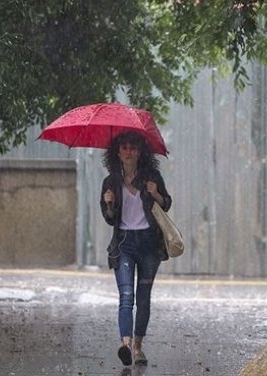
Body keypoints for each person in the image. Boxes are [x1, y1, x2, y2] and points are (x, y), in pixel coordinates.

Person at [100, 130, 172, 367]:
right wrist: (109, 204)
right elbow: (110, 218)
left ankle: (138, 345)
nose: (128, 151)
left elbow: (167, 204)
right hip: (124, 244)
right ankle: (126, 344)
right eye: (124, 147)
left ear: (140, 152)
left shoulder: (151, 176)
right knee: (126, 296)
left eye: (133, 147)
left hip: (149, 244)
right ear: (117, 152)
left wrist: (155, 194)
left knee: (143, 298)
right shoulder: (110, 182)